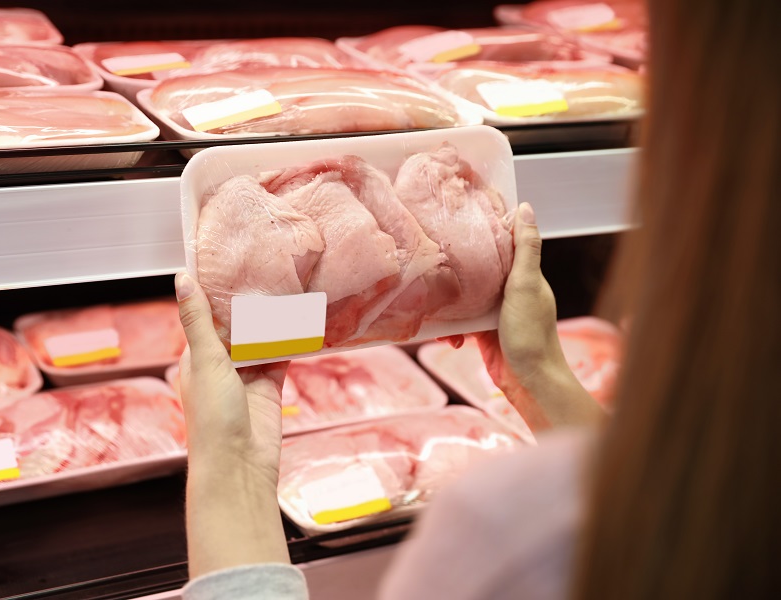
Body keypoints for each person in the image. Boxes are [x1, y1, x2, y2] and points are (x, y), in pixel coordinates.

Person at [172, 0, 781, 597]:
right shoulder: (730, 502)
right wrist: (537, 371)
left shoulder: (510, 527)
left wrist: (233, 471)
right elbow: (660, 523)